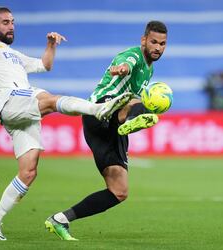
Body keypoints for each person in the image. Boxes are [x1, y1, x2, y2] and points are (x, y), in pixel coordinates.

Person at [0, 7, 132, 241]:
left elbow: (45, 65)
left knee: (28, 171)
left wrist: (51, 46)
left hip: (23, 111)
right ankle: (98, 109)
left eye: (12, 21)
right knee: (50, 100)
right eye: (5, 22)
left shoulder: (12, 54)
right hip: (12, 101)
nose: (11, 26)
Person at [45, 20, 168, 240]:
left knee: (119, 192)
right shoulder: (133, 57)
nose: (158, 47)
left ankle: (60, 219)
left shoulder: (150, 70)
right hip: (100, 110)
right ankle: (126, 118)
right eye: (154, 42)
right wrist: (122, 69)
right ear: (144, 40)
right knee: (139, 104)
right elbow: (126, 63)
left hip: (107, 129)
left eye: (162, 44)